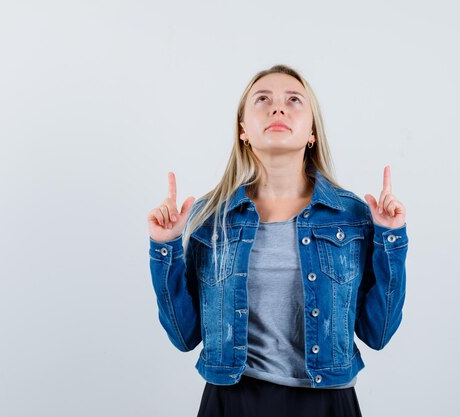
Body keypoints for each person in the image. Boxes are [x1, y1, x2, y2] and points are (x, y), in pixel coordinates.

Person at [146, 64, 408, 417]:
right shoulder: (211, 217)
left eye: (294, 100)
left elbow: (377, 333)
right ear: (243, 130)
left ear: (312, 130)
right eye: (263, 99)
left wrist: (391, 238)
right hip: (232, 402)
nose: (278, 108)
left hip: (326, 402)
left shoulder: (353, 216)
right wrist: (166, 246)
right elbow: (184, 335)